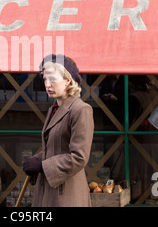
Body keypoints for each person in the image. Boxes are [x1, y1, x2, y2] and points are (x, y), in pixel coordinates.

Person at [23, 54, 94, 207]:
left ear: (68, 80)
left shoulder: (81, 109)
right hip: (47, 190)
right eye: (45, 79)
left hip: (67, 194)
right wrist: (37, 159)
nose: (47, 84)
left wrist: (42, 165)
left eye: (53, 79)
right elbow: (55, 147)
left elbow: (79, 157)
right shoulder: (54, 109)